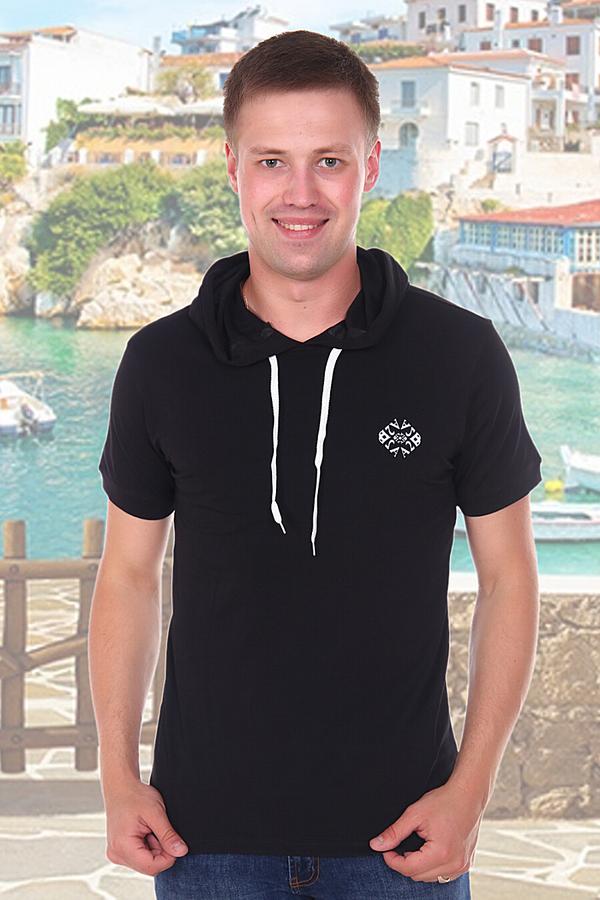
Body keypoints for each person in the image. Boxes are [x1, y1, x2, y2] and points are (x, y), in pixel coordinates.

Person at [89, 28, 543, 900]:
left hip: (405, 841)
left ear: (370, 168)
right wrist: (117, 776)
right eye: (272, 162)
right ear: (234, 169)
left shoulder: (460, 355)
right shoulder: (160, 363)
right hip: (202, 842)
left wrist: (472, 789)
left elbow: (509, 577)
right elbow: (130, 577)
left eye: (328, 161)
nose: (300, 193)